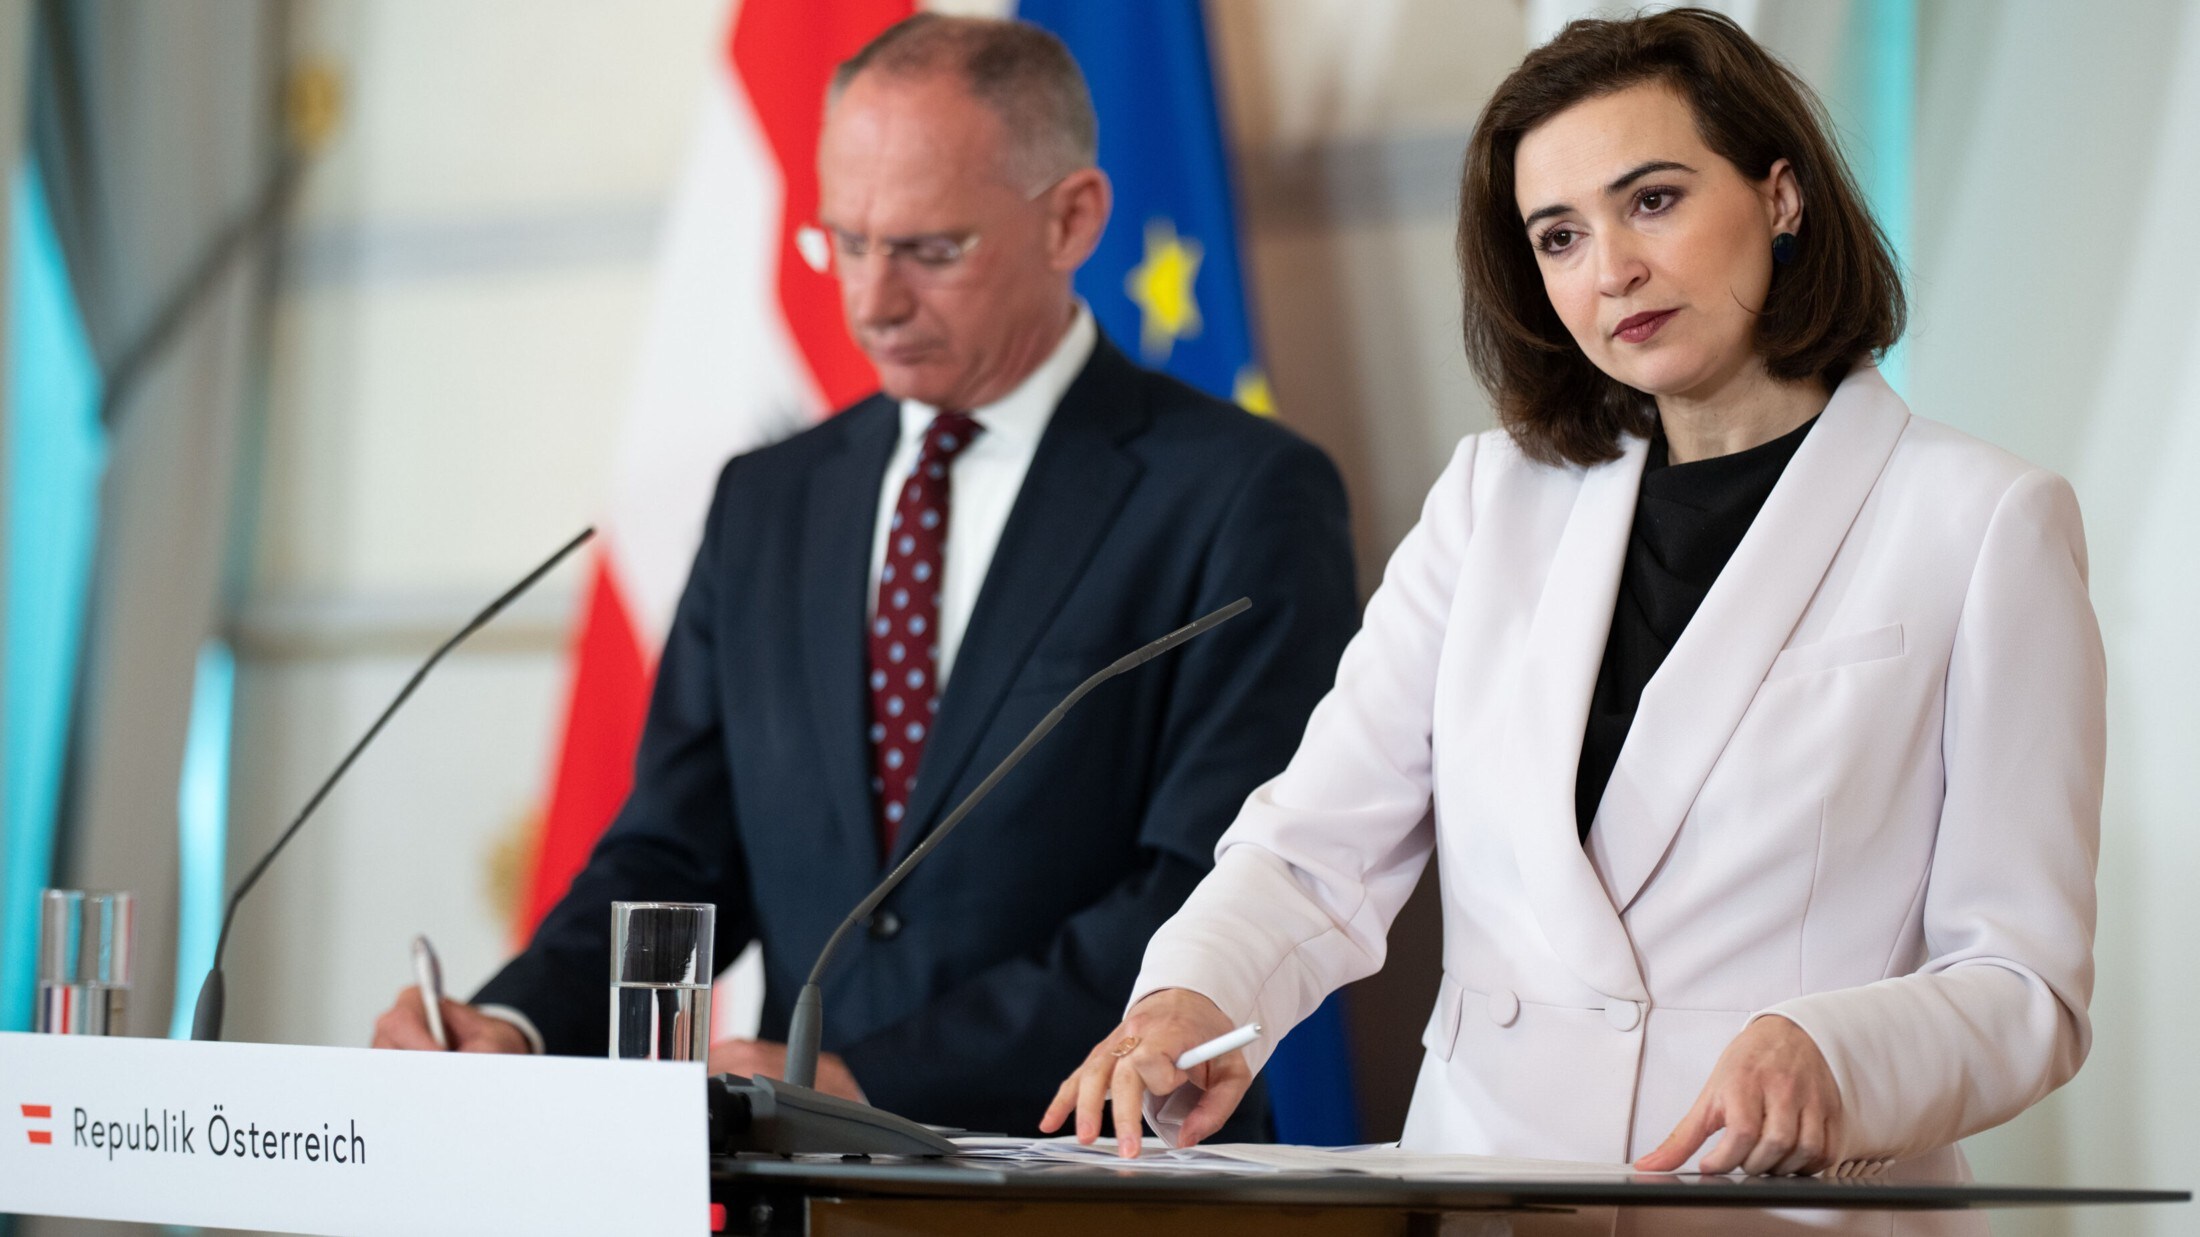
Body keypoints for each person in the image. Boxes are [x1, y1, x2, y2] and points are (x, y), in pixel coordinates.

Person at [1048, 7, 2102, 1225]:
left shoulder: (1980, 521)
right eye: (1560, 235)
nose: (1611, 269)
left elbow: (2026, 982)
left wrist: (1838, 1051)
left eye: (1650, 200)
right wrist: (1190, 998)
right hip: (1484, 1197)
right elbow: (1313, 850)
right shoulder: (1490, 498)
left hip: (1776, 1212)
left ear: (1782, 195)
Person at [370, 14, 1357, 1140]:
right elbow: (677, 852)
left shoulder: (1243, 493)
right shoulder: (767, 500)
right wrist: (522, 1022)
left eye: (930, 249)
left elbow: (1214, 885)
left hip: (1103, 1170)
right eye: (842, 241)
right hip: (805, 1186)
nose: (872, 300)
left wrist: (869, 1077)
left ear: (1071, 218)